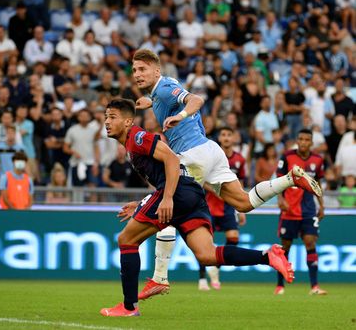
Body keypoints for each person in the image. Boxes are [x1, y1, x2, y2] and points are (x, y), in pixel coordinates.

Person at [131, 49, 321, 300]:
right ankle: (290, 180)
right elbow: (169, 98)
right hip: (211, 150)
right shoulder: (162, 91)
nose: (137, 74)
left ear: (157, 70)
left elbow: (196, 100)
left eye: (142, 69)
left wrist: (180, 115)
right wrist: (151, 102)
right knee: (244, 203)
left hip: (193, 154)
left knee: (168, 207)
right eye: (134, 70)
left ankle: (160, 278)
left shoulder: (165, 88)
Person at [100, 99, 293, 317]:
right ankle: (268, 256)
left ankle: (129, 307)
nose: (107, 122)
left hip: (178, 192)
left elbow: (172, 160)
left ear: (127, 121)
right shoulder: (131, 143)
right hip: (191, 193)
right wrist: (145, 203)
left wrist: (167, 198)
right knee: (207, 255)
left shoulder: (137, 137)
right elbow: (164, 173)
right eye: (106, 117)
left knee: (126, 240)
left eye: (112, 117)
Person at [275, 129, 326, 296]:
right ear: (297, 140)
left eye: (307, 140)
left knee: (310, 243)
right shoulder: (287, 157)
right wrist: (280, 199)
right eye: (301, 139)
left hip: (308, 211)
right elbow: (279, 180)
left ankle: (315, 286)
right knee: (285, 248)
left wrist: (322, 205)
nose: (303, 142)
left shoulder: (318, 160)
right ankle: (280, 285)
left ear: (311, 142)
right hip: (289, 210)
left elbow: (317, 182)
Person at [198, 126, 247, 291]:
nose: (226, 138)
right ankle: (202, 279)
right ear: (219, 138)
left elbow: (241, 185)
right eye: (223, 135)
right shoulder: (212, 156)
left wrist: (240, 209)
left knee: (233, 238)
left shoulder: (239, 160)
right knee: (205, 243)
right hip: (210, 204)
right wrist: (216, 191)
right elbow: (202, 179)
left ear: (234, 138)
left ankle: (215, 268)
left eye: (229, 135)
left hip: (228, 205)